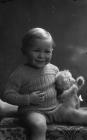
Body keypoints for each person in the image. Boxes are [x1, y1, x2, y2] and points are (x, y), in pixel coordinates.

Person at [2, 27, 87, 140]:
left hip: (56, 109)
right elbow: (7, 95)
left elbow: (59, 91)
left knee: (78, 116)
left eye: (47, 51)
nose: (42, 56)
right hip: (32, 112)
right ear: (25, 51)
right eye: (36, 51)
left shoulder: (54, 69)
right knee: (39, 126)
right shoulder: (20, 73)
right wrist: (29, 99)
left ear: (52, 51)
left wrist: (68, 90)